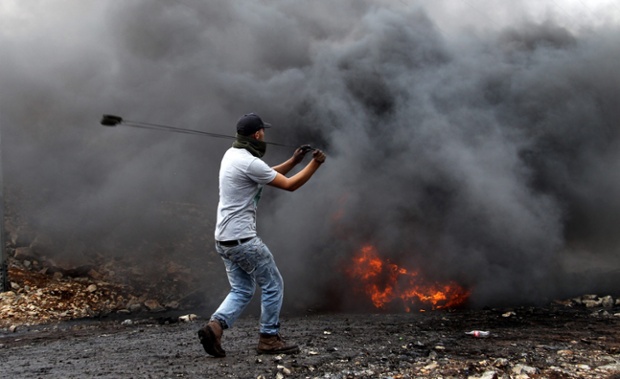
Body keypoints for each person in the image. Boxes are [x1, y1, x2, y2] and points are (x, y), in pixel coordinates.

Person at [198, 112, 326, 357]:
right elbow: (289, 185)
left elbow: (267, 174)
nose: (264, 135)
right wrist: (315, 163)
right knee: (273, 284)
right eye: (263, 131)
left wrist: (295, 160)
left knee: (242, 289)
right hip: (243, 240)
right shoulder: (248, 161)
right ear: (257, 134)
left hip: (223, 239)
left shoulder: (232, 155)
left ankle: (214, 328)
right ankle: (269, 338)